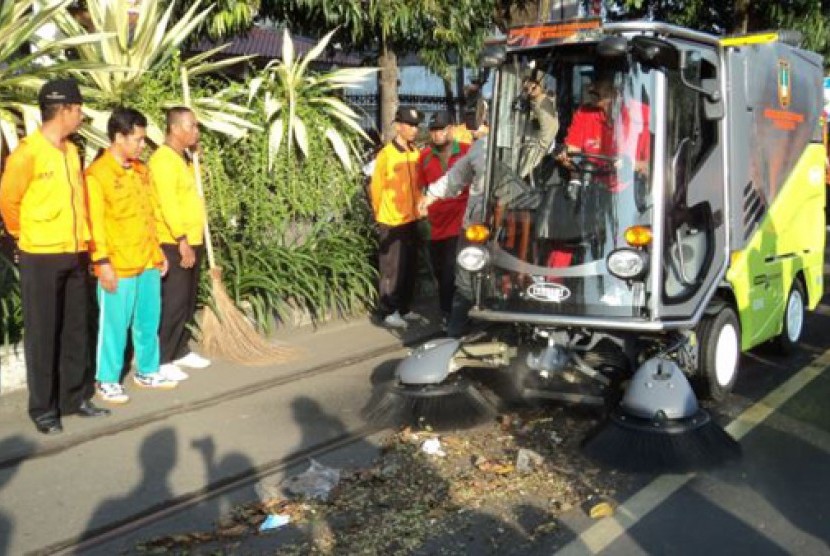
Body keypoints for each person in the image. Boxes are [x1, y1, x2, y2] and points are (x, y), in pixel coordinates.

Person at [0, 78, 110, 434]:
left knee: (75, 328)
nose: (81, 118)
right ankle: (44, 409)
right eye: (79, 111)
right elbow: (8, 204)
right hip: (40, 256)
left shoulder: (71, 151)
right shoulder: (27, 153)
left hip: (75, 252)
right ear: (65, 110)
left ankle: (74, 398)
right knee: (43, 332)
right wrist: (25, 237)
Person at [86, 107, 179, 404]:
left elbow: (148, 215)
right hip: (118, 265)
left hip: (146, 261)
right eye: (137, 140)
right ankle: (107, 379)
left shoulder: (141, 171)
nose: (142, 145)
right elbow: (95, 225)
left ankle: (147, 370)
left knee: (148, 321)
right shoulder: (97, 176)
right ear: (119, 137)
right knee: (114, 326)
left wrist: (157, 253)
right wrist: (102, 264)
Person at [149, 107, 210, 377]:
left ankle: (180, 349)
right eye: (192, 126)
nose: (196, 132)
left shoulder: (183, 159)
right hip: (174, 241)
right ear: (175, 129)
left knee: (187, 300)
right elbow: (168, 204)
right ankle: (162, 358)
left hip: (193, 238)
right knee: (173, 301)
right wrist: (182, 240)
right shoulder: (162, 161)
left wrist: (196, 158)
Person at [369, 106, 424, 329]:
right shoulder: (386, 155)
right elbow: (376, 188)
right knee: (392, 269)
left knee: (410, 266)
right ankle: (389, 310)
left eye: (416, 126)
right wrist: (381, 214)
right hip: (392, 221)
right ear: (398, 126)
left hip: (412, 219)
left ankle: (404, 307)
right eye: (410, 125)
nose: (414, 129)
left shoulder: (415, 153)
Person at [417, 111, 471, 324]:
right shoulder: (425, 157)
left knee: (451, 269)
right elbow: (421, 189)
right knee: (440, 272)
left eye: (442, 129)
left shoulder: (467, 152)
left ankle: (451, 315)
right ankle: (448, 311)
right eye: (434, 130)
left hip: (461, 221)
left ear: (452, 129)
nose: (437, 134)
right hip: (435, 223)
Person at [517, 67, 559, 178]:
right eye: (526, 89)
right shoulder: (530, 103)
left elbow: (550, 131)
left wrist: (538, 98)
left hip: (539, 157)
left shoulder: (544, 103)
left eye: (533, 87)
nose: (529, 91)